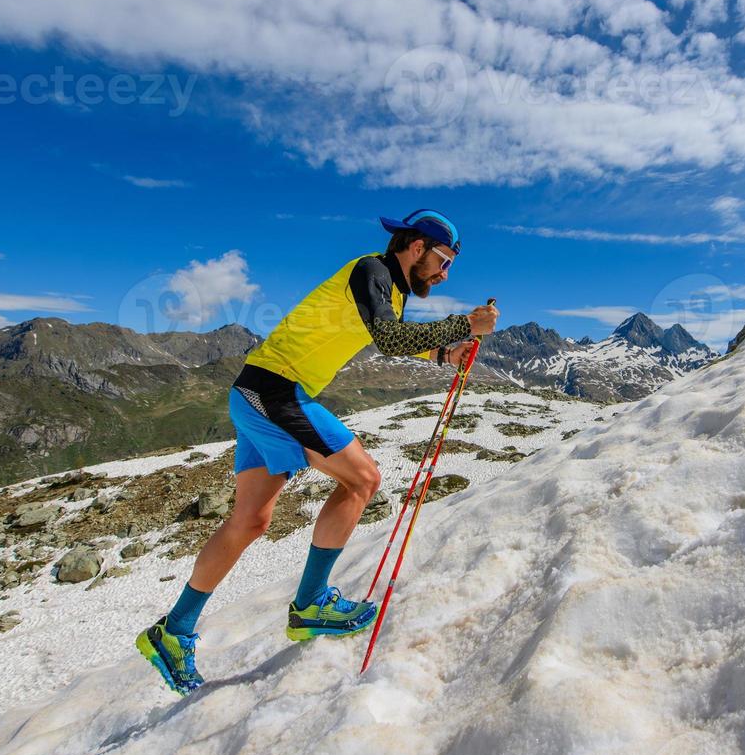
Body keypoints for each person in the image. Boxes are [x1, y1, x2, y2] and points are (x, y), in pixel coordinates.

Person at [137, 209, 499, 694]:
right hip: (276, 391)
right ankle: (310, 606)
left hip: (257, 392)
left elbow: (386, 334)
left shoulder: (387, 286)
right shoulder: (372, 270)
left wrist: (442, 353)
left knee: (250, 522)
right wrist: (464, 325)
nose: (444, 273)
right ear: (417, 248)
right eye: (443, 260)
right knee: (363, 479)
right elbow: (389, 339)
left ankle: (173, 631)